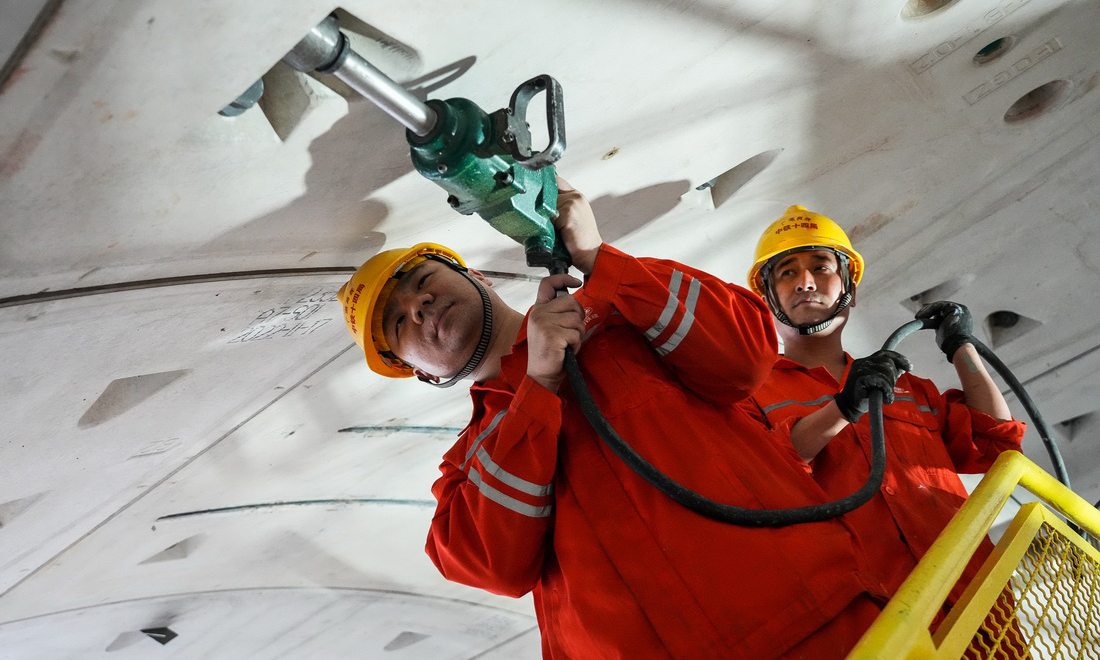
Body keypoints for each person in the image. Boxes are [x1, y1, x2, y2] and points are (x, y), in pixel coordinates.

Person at [338, 182, 895, 659]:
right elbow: (493, 566)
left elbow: (745, 358)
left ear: (477, 275)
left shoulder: (625, 315)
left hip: (825, 631)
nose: (419, 306)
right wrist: (539, 387)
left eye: (420, 281)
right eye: (398, 323)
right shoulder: (469, 465)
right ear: (412, 370)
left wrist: (600, 259)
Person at [744, 205, 1026, 621]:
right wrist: (844, 405)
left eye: (821, 267)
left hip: (975, 608)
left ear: (850, 290)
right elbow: (767, 474)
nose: (805, 282)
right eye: (786, 272)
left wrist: (961, 347)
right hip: (873, 622)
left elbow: (997, 443)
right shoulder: (751, 395)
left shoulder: (905, 386)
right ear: (768, 298)